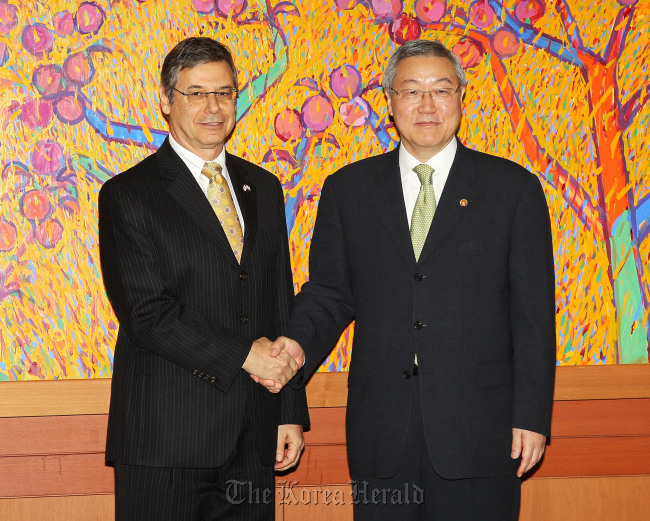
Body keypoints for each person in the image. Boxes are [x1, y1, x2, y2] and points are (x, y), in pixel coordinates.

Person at [265, 40, 556, 520]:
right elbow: (330, 294)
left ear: (462, 98)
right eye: (411, 91)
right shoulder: (349, 190)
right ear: (389, 102)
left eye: (441, 90)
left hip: (482, 430)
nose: (426, 105)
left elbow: (532, 316)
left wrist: (531, 417)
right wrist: (295, 347)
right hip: (383, 429)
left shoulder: (512, 189)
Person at [98, 37, 309, 521]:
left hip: (255, 436)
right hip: (165, 439)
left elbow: (279, 302)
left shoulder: (264, 187)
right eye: (196, 93)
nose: (213, 107)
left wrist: (290, 411)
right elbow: (147, 315)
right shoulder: (128, 194)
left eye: (224, 92)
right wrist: (246, 355)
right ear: (166, 102)